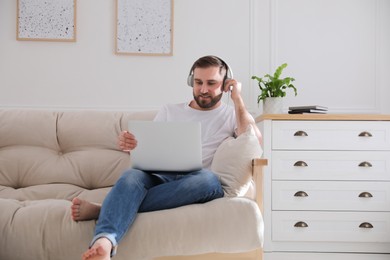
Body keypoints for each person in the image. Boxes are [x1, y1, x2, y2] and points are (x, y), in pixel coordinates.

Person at [71, 55, 262, 260]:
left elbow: (253, 140)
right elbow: (148, 147)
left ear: (226, 85)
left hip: (198, 181)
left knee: (208, 180)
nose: (203, 89)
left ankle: (107, 209)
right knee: (131, 176)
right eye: (198, 83)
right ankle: (104, 241)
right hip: (159, 176)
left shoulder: (231, 114)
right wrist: (132, 144)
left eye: (211, 83)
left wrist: (238, 99)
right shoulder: (170, 110)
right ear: (191, 81)